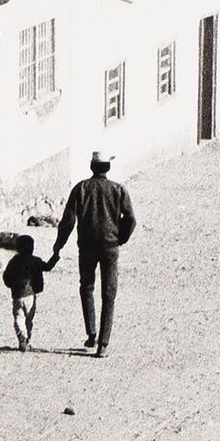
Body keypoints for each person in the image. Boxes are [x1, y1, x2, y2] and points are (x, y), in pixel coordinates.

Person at [49, 150, 136, 356]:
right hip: (110, 247)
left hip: (86, 247)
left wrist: (58, 246)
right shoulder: (118, 190)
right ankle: (103, 344)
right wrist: (120, 237)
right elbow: (131, 218)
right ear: (108, 168)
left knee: (86, 287)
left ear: (91, 167)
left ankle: (91, 332)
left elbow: (68, 222)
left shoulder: (81, 189)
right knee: (109, 292)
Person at [3, 233, 52, 350]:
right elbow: (48, 267)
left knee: (18, 317)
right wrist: (56, 256)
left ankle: (22, 338)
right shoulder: (36, 261)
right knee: (29, 318)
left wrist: (10, 285)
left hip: (17, 295)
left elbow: (6, 276)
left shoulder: (13, 261)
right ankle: (27, 339)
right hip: (31, 294)